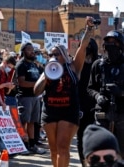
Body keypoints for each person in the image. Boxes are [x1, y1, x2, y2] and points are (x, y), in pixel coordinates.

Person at [34, 16, 95, 166]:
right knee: (53, 150)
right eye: (51, 55)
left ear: (65, 55)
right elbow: (36, 91)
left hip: (68, 111)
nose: (54, 57)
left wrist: (89, 29)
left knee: (62, 147)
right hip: (50, 111)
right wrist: (46, 77)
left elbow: (82, 46)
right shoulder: (46, 70)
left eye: (57, 54)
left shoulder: (73, 67)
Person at [87, 30, 124, 158]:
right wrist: (98, 96)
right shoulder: (98, 65)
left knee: (120, 151)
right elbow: (90, 88)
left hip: (121, 114)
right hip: (102, 113)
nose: (110, 45)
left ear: (120, 45)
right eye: (107, 42)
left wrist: (121, 92)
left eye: (113, 42)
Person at [15, 42, 45, 154]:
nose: (32, 52)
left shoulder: (34, 64)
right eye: (29, 50)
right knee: (24, 122)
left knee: (33, 122)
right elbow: (21, 83)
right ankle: (22, 145)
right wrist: (37, 84)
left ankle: (32, 145)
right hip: (25, 97)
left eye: (33, 50)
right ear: (23, 52)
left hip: (35, 97)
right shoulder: (21, 65)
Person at [77, 38, 99, 166]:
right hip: (80, 104)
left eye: (90, 45)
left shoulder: (98, 63)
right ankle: (83, 162)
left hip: (95, 103)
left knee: (95, 135)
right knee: (81, 135)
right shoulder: (77, 64)